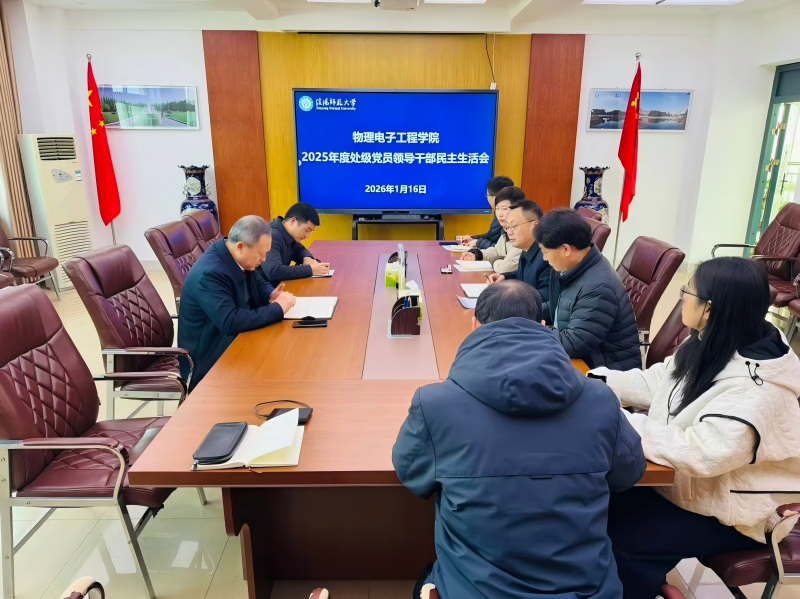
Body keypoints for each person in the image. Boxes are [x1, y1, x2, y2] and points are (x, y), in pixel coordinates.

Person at [393, 280, 646, 599]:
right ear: (542, 325)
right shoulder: (600, 399)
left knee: (426, 579)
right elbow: (628, 473)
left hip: (478, 592)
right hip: (585, 591)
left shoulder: (435, 404)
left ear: (475, 325)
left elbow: (412, 477)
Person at [590, 257, 800, 598]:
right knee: (596, 498)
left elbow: (702, 453)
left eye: (687, 292)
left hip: (733, 513)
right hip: (690, 489)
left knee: (624, 534)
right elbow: (659, 382)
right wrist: (591, 384)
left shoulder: (757, 391)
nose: (683, 297)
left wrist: (617, 418)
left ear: (709, 308)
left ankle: (633, 587)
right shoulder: (715, 339)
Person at [179, 215, 296, 391]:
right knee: (274, 370)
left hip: (235, 341)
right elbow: (230, 321)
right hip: (210, 356)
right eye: (261, 254)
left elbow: (256, 280)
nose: (264, 259)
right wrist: (277, 308)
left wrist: (271, 293)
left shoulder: (234, 255)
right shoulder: (210, 274)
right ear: (241, 247)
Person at [536, 208, 640, 371]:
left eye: (545, 251)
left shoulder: (598, 287)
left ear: (566, 249)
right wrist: (525, 311)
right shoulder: (572, 267)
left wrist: (536, 332)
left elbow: (573, 344)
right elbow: (558, 306)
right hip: (580, 357)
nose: (544, 258)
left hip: (604, 371)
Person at [485, 198, 552, 302]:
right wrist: (504, 277)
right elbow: (523, 276)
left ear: (535, 226)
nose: (509, 232)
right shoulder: (526, 250)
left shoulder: (547, 257)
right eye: (507, 227)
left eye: (514, 226)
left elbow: (543, 299)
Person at [261, 202, 330, 284]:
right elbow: (274, 272)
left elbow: (299, 250)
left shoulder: (287, 233)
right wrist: (310, 270)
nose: (307, 236)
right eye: (307, 230)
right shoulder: (271, 236)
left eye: (310, 231)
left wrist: (307, 258)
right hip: (265, 290)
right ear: (293, 221)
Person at [460, 186, 524, 274]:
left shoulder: (522, 234)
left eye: (505, 209)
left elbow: (504, 269)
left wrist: (494, 261)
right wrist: (478, 255)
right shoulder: (506, 230)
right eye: (497, 208)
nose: (500, 214)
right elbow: (497, 251)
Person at [459, 176, 514, 250]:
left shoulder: (511, 217)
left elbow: (502, 249)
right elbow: (491, 236)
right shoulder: (500, 212)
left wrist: (478, 242)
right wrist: (472, 238)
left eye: (487, 195)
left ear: (495, 197)